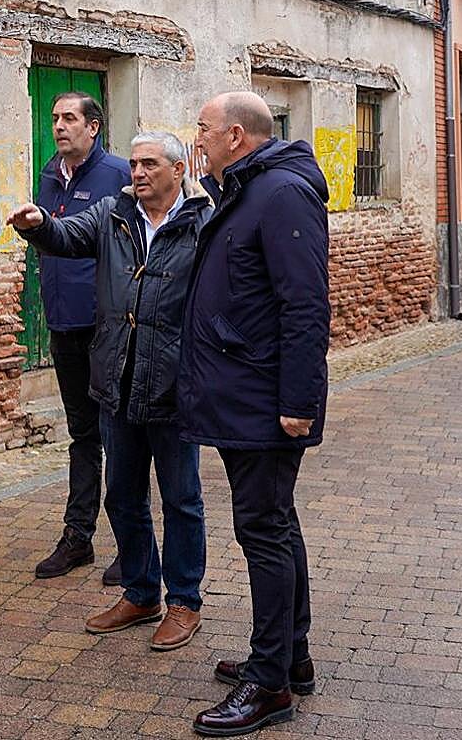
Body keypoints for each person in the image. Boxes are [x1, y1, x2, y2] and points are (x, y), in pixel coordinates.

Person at [8, 131, 209, 651]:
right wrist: (40, 225)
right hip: (115, 380)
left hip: (172, 384)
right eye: (135, 164)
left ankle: (184, 602)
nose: (137, 173)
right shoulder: (112, 214)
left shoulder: (202, 221)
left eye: (149, 164)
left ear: (178, 169)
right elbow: (67, 236)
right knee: (123, 493)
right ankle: (141, 591)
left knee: (181, 499)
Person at [181, 92, 330, 736]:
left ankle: (268, 685)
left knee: (263, 533)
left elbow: (305, 304)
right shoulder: (246, 188)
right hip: (243, 393)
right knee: (275, 525)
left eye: (205, 129)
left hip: (265, 401)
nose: (198, 139)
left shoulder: (280, 194)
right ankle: (288, 658)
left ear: (236, 136)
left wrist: (298, 403)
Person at [30, 93, 128, 584]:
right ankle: (78, 537)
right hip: (63, 323)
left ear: (94, 127)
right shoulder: (50, 174)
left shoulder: (119, 174)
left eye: (69, 118)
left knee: (120, 436)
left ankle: (131, 545)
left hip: (107, 328)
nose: (59, 126)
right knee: (82, 436)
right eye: (55, 118)